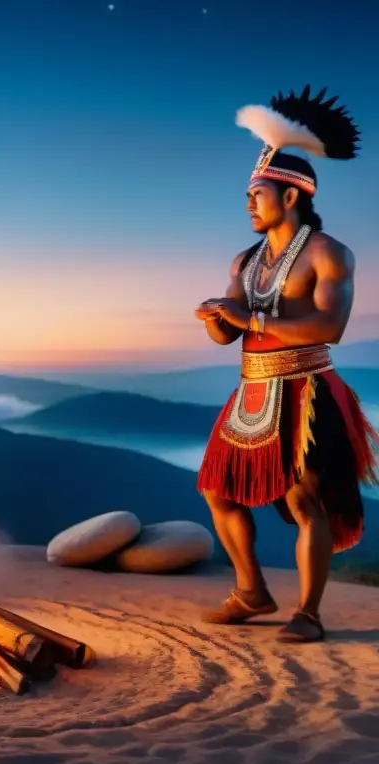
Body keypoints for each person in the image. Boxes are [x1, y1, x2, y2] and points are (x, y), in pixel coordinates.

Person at [194, 86, 377, 642]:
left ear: (291, 195)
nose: (249, 203)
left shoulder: (328, 253)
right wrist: (215, 318)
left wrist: (246, 319)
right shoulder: (245, 260)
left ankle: (310, 613)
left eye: (257, 193)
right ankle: (251, 590)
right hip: (251, 390)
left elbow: (330, 327)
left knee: (305, 499)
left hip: (307, 388)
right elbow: (229, 337)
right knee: (217, 490)